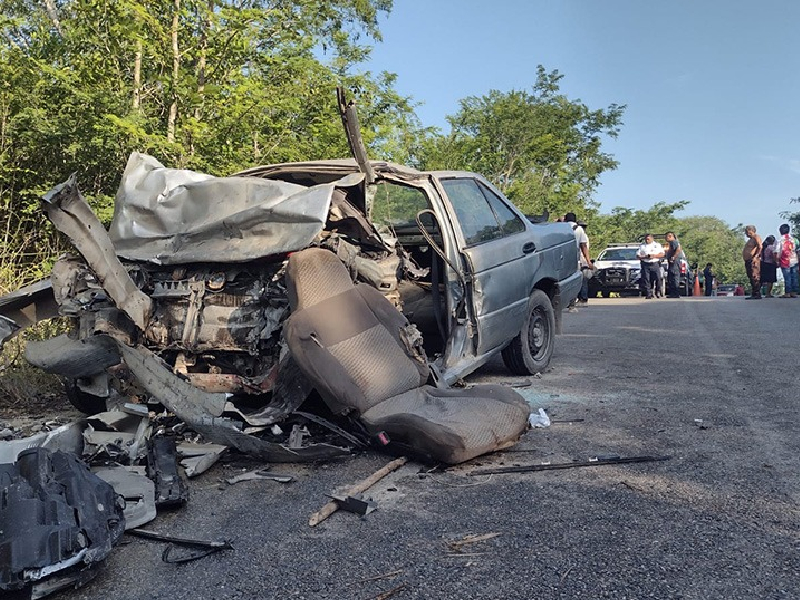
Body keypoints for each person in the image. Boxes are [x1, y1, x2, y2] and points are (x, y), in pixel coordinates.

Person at [565, 212, 592, 306]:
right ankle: (573, 302)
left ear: (565, 219)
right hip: (574, 258)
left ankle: (566, 301)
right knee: (575, 280)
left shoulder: (561, 228)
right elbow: (584, 246)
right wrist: (588, 261)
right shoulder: (579, 230)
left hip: (562, 259)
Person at [773, 223, 799, 298]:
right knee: (794, 277)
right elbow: (798, 251)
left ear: (780, 231)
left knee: (787, 277)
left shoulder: (779, 241)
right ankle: (793, 293)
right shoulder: (795, 240)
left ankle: (787, 293)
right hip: (794, 260)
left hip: (784, 261)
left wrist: (777, 261)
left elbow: (777, 252)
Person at [636, 233, 664, 299]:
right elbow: (637, 255)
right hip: (645, 264)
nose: (647, 240)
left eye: (648, 239)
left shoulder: (657, 245)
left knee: (658, 278)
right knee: (646, 279)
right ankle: (648, 294)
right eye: (646, 239)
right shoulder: (642, 246)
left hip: (655, 263)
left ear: (652, 238)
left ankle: (658, 291)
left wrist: (653, 256)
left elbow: (662, 254)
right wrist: (645, 256)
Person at [742, 225, 762, 299]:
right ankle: (754, 293)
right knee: (751, 276)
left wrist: (756, 256)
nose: (746, 233)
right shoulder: (750, 239)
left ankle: (757, 293)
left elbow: (760, 246)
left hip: (753, 260)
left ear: (751, 230)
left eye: (746, 231)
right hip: (748, 260)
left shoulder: (756, 237)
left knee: (755, 276)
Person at [663, 231, 683, 298]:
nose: (666, 238)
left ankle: (676, 293)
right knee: (670, 277)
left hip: (674, 262)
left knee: (674, 277)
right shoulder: (671, 243)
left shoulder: (674, 242)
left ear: (670, 236)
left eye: (667, 236)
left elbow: (678, 249)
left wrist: (673, 257)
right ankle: (673, 293)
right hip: (671, 262)